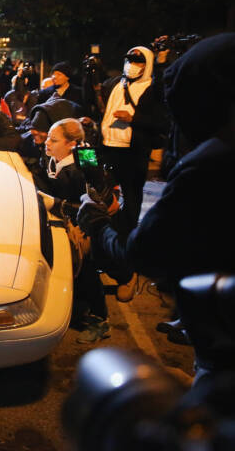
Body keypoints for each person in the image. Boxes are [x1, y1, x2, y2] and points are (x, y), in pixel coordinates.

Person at [78, 33, 235, 383]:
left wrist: (97, 223)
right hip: (112, 152)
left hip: (222, 356)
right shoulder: (115, 86)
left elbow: (147, 252)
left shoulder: (209, 165)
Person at [98, 46, 164, 231]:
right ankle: (108, 227)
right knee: (102, 188)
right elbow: (95, 100)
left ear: (147, 64)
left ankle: (128, 234)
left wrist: (133, 119)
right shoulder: (117, 84)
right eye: (130, 61)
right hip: (109, 146)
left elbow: (161, 121)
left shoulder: (151, 89)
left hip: (133, 151)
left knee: (132, 194)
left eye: (138, 62)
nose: (132, 66)